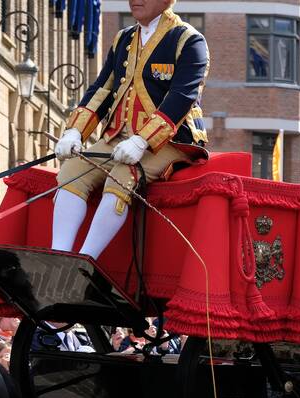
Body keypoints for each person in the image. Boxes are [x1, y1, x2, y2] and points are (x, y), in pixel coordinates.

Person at [51, 0, 209, 260]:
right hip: (118, 137)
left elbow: (181, 97)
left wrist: (141, 141)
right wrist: (75, 131)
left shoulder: (188, 40)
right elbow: (102, 89)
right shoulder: (123, 38)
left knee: (122, 176)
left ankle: (86, 261)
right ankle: (60, 257)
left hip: (168, 142)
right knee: (71, 172)